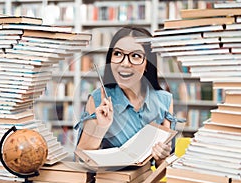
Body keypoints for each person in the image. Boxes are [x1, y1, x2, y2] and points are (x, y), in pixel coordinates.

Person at [75, 26, 178, 167]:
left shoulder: (164, 101)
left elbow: (165, 168)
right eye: (118, 54)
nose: (124, 63)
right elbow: (80, 160)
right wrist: (100, 128)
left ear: (148, 63)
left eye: (135, 56)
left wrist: (161, 157)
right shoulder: (99, 99)